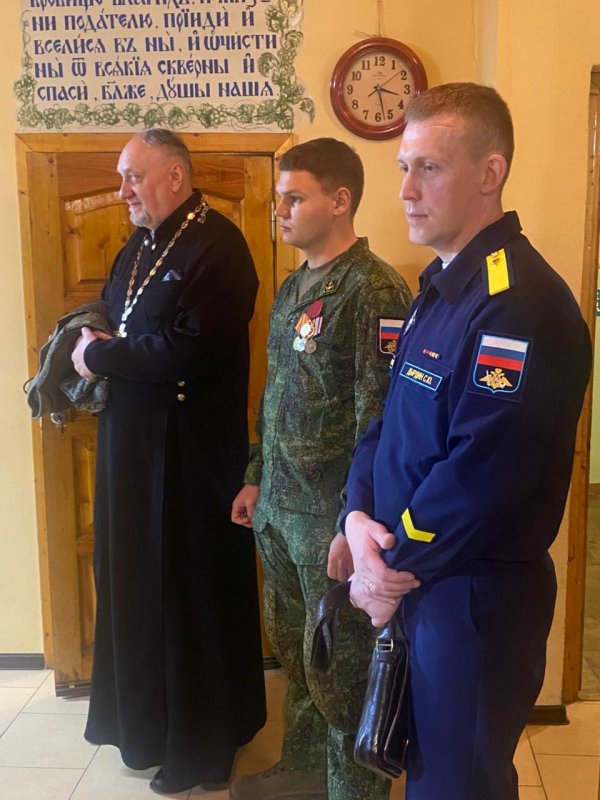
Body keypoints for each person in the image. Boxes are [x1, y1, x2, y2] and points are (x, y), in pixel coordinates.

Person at [341, 83, 592, 800]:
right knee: (430, 776)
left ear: (490, 172)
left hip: (472, 598)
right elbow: (389, 422)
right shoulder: (444, 286)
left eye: (430, 168)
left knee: (458, 786)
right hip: (421, 581)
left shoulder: (521, 304)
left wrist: (385, 567)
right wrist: (356, 517)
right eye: (404, 168)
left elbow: (483, 476)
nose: (406, 190)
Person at [71, 129, 266, 795]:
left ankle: (202, 747)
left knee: (190, 596)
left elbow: (185, 350)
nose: (122, 190)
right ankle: (147, 730)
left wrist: (99, 355)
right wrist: (92, 340)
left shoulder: (220, 246)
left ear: (176, 177)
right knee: (134, 590)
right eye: (122, 177)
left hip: (191, 458)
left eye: (134, 176)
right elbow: (120, 319)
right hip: (131, 454)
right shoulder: (140, 244)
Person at [229, 138, 414, 800]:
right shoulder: (293, 287)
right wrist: (256, 474)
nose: (279, 210)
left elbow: (382, 420)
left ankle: (351, 793)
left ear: (339, 201)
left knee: (343, 678)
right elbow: (276, 393)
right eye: (279, 198)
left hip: (329, 524)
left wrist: (353, 523)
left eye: (293, 197)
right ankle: (305, 772)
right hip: (280, 512)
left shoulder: (374, 289)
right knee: (300, 662)